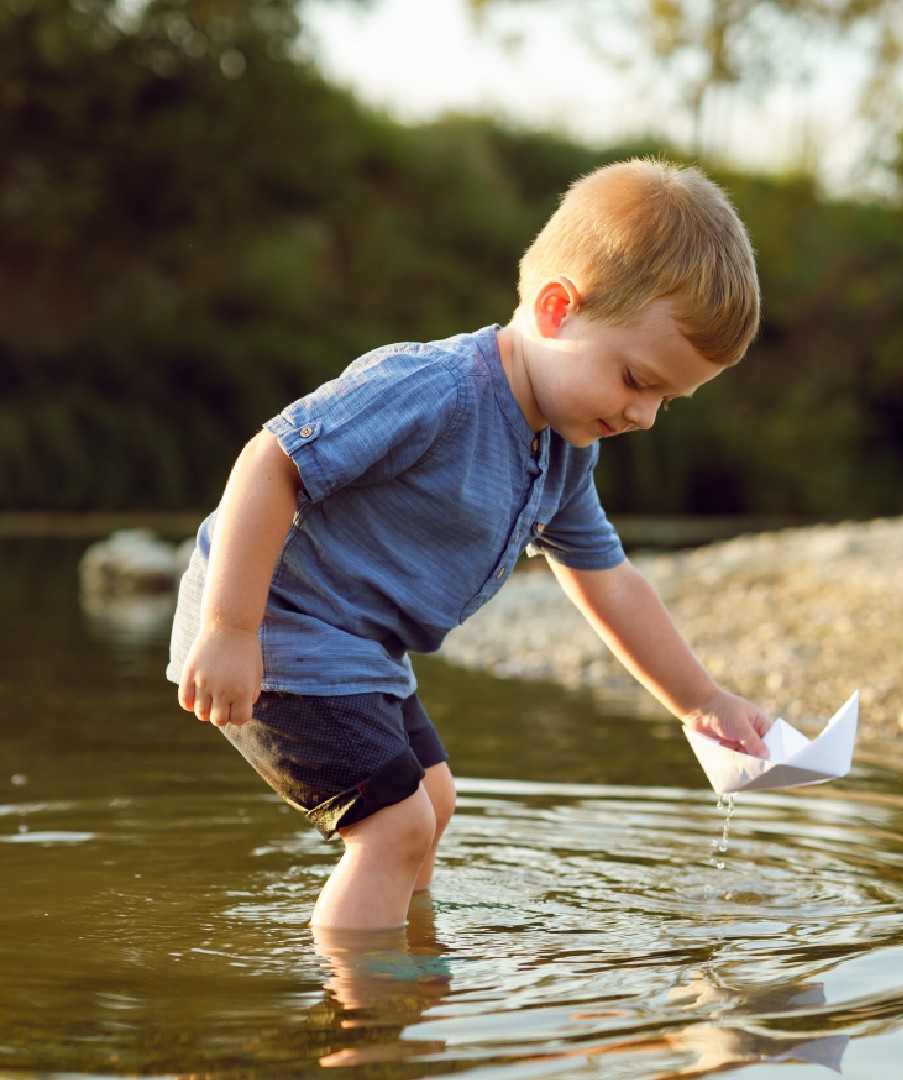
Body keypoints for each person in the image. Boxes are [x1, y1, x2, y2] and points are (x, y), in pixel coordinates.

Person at [168, 157, 773, 932]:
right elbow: (271, 461)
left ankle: (406, 957)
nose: (645, 415)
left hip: (360, 655)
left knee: (434, 800)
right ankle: (363, 1017)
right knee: (395, 826)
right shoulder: (438, 389)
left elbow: (609, 580)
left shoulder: (562, 451)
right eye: (635, 379)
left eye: (667, 399)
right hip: (276, 632)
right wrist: (229, 631)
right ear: (557, 309)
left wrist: (704, 703)